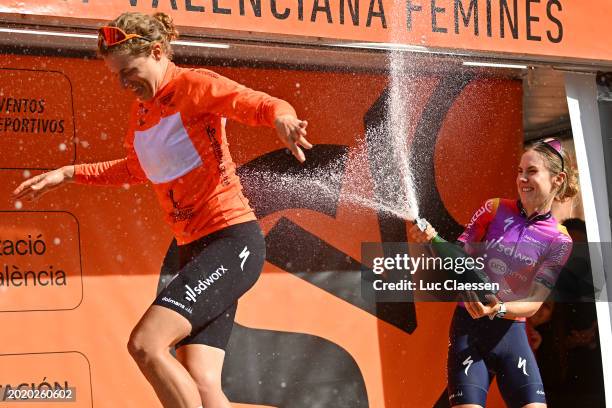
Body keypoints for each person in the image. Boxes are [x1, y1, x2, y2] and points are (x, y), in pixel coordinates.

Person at [12, 12, 311, 408]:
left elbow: (260, 104)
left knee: (145, 344)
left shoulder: (195, 85)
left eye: (129, 71)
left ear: (156, 52)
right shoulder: (142, 113)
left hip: (231, 241)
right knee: (202, 383)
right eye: (116, 75)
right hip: (197, 249)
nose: (123, 83)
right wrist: (69, 172)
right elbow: (136, 169)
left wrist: (283, 119)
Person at [409, 138, 579, 408]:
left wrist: (497, 308)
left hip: (511, 335)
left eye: (532, 171)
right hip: (469, 330)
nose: (522, 178)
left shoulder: (559, 241)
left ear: (557, 179)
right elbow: (458, 259)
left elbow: (534, 302)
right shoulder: (494, 209)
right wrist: (431, 241)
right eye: (519, 171)